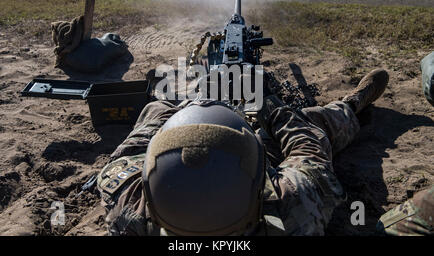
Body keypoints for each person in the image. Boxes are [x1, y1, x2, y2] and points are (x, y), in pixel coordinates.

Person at [96, 68, 389, 236]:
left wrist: (184, 109)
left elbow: (131, 150)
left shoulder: (128, 209)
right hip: (259, 158)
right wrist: (271, 108)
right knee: (316, 122)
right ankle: (352, 105)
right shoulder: (292, 211)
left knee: (156, 107)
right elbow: (309, 150)